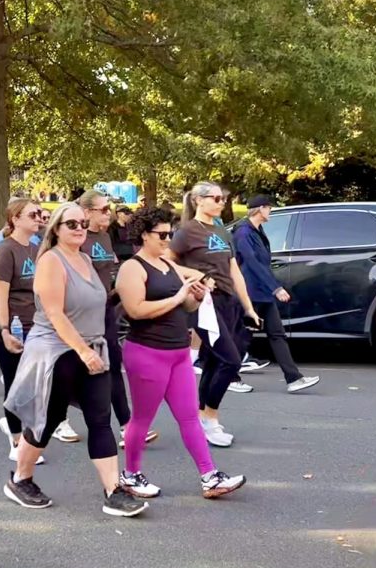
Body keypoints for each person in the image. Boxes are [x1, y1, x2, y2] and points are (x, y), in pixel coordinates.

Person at [2, 203, 147, 517]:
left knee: (100, 418)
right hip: (58, 351)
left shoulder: (84, 258)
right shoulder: (51, 261)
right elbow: (54, 313)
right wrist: (82, 351)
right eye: (71, 224)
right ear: (56, 229)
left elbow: (95, 302)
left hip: (91, 348)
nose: (80, 228)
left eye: (83, 223)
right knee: (49, 419)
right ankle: (20, 478)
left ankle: (113, 491)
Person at [116, 206, 246, 499]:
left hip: (177, 352)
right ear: (144, 235)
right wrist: (177, 298)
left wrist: (194, 299)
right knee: (142, 419)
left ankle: (209, 476)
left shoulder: (168, 264)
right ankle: (131, 474)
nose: (167, 239)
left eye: (170, 233)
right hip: (147, 352)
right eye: (161, 234)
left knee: (188, 417)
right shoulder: (131, 268)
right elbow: (136, 310)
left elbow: (184, 306)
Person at [169, 182, 262, 448]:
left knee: (213, 362)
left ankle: (202, 417)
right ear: (199, 201)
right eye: (217, 198)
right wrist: (195, 276)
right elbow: (166, 262)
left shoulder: (222, 231)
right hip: (204, 304)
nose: (222, 202)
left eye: (224, 198)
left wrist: (248, 307)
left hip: (228, 301)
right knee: (231, 361)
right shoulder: (186, 232)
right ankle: (210, 418)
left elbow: (235, 271)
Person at [77, 189, 144, 444]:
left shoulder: (105, 237)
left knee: (113, 364)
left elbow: (108, 275)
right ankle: (55, 419)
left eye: (110, 209)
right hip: (81, 314)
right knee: (74, 370)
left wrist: (121, 291)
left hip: (104, 309)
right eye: (104, 210)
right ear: (87, 212)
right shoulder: (78, 238)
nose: (110, 214)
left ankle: (127, 425)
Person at [233, 195, 319, 392]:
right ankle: (230, 378)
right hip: (250, 292)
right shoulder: (243, 232)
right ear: (260, 209)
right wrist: (276, 287)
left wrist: (271, 288)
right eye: (269, 208)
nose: (270, 211)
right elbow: (252, 262)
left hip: (262, 292)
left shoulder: (257, 230)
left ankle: (294, 378)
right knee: (243, 337)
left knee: (277, 334)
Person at [0, 198, 47, 462]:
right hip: (8, 326)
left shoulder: (36, 249)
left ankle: (28, 435)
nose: (39, 218)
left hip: (34, 324)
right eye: (33, 214)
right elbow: (1, 295)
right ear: (15, 219)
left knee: (33, 384)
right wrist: (4, 329)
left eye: (40, 214)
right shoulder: (5, 250)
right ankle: (15, 438)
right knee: (14, 382)